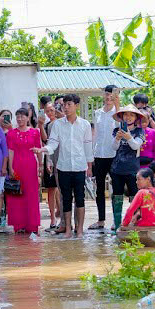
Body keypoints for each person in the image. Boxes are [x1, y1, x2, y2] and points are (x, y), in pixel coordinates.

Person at [36, 93, 93, 237]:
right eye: (64, 105)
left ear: (76, 106)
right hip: (63, 166)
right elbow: (53, 143)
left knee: (80, 198)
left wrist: (90, 166)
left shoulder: (85, 124)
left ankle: (80, 230)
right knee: (66, 198)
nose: (66, 108)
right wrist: (44, 149)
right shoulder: (57, 124)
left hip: (80, 166)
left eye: (69, 104)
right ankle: (67, 229)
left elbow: (88, 147)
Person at [89, 85, 121, 232]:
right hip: (99, 154)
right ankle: (101, 220)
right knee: (99, 189)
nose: (109, 97)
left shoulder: (119, 112)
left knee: (116, 189)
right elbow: (95, 135)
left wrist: (118, 106)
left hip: (114, 154)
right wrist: (91, 155)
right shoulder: (98, 113)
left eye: (112, 95)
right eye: (107, 94)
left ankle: (116, 220)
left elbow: (121, 127)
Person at [6, 105, 42, 233]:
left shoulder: (35, 132)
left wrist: (41, 165)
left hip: (31, 166)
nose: (19, 119)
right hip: (17, 165)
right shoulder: (11, 133)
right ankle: (18, 224)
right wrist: (10, 167)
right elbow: (10, 150)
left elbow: (39, 149)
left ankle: (32, 225)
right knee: (17, 193)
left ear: (28, 117)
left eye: (22, 116)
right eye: (18, 117)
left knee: (31, 194)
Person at [109, 104, 143, 230]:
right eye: (126, 114)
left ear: (136, 118)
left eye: (131, 115)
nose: (128, 117)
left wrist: (128, 137)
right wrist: (117, 138)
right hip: (117, 169)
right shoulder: (116, 130)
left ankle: (134, 222)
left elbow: (135, 146)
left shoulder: (139, 131)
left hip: (133, 169)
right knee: (117, 197)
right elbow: (114, 147)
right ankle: (117, 223)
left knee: (134, 197)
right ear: (122, 116)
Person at [38, 97, 62, 231]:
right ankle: (52, 219)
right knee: (51, 189)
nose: (50, 112)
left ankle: (63, 218)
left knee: (62, 189)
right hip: (50, 157)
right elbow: (45, 140)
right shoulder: (46, 125)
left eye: (52, 110)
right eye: (48, 111)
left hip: (62, 158)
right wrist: (41, 125)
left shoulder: (62, 123)